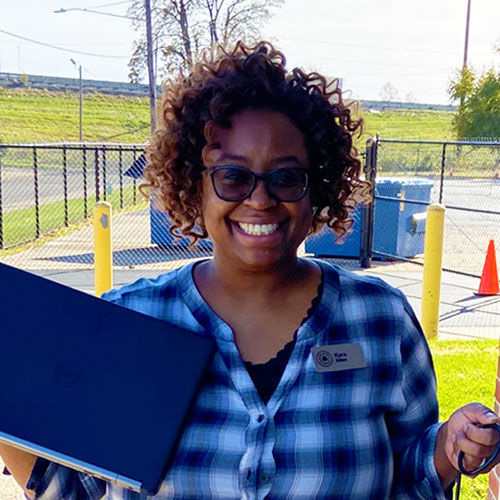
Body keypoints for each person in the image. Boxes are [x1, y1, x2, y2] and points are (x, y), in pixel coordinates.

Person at [1, 41, 499, 500]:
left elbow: (407, 474)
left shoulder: (380, 321)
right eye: (233, 176)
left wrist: (450, 445)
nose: (260, 200)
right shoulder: (130, 323)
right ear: (193, 186)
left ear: (318, 189)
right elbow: (73, 489)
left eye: (285, 177)